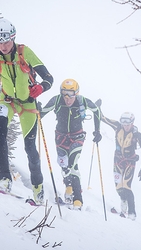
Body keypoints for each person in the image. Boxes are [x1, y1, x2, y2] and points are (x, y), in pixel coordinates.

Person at [0, 18, 53, 204]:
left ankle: (38, 189)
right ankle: (5, 179)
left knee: (30, 147)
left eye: (6, 41)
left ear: (13, 38)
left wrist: (41, 88)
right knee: (0, 133)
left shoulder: (25, 52)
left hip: (28, 103)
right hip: (6, 100)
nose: (3, 46)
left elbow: (48, 77)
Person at [39, 79, 102, 210]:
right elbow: (41, 114)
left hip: (77, 137)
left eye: (71, 95)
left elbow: (96, 110)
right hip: (60, 137)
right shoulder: (56, 100)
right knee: (64, 165)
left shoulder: (82, 101)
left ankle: (78, 200)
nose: (67, 99)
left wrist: (97, 131)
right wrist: (38, 111)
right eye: (65, 94)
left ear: (76, 93)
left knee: (72, 164)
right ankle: (68, 188)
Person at [98, 102, 141, 220]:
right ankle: (123, 202)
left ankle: (132, 212)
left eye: (128, 124)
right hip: (117, 160)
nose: (125, 126)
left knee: (126, 185)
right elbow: (103, 118)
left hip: (130, 162)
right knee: (118, 187)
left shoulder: (137, 135)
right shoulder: (117, 126)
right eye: (123, 123)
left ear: (132, 123)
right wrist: (98, 107)